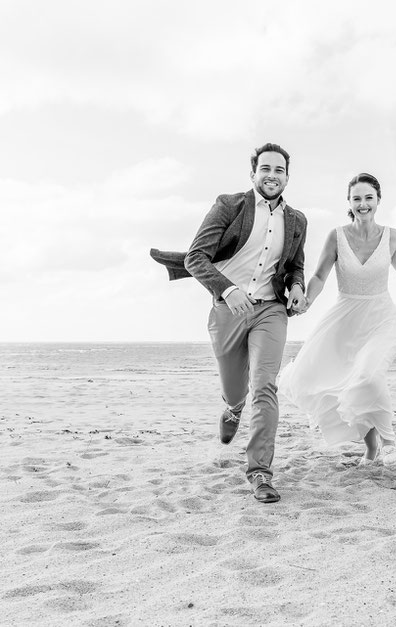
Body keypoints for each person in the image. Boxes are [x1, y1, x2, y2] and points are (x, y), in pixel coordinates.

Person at [149, 143, 307, 503]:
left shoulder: (297, 220)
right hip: (228, 310)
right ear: (253, 173)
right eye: (265, 168)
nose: (272, 175)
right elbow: (195, 258)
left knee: (265, 386)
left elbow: (295, 265)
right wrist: (228, 289)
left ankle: (260, 472)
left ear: (287, 176)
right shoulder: (229, 206)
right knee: (237, 389)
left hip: (271, 310)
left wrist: (296, 287)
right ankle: (233, 407)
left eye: (279, 170)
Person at [279, 173, 396, 465]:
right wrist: (306, 300)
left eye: (368, 198)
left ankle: (389, 441)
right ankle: (371, 448)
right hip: (345, 321)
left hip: (382, 319)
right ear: (349, 203)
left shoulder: (391, 236)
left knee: (368, 377)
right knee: (347, 385)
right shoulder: (336, 236)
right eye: (357, 199)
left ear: (378, 200)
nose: (363, 204)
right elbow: (318, 276)